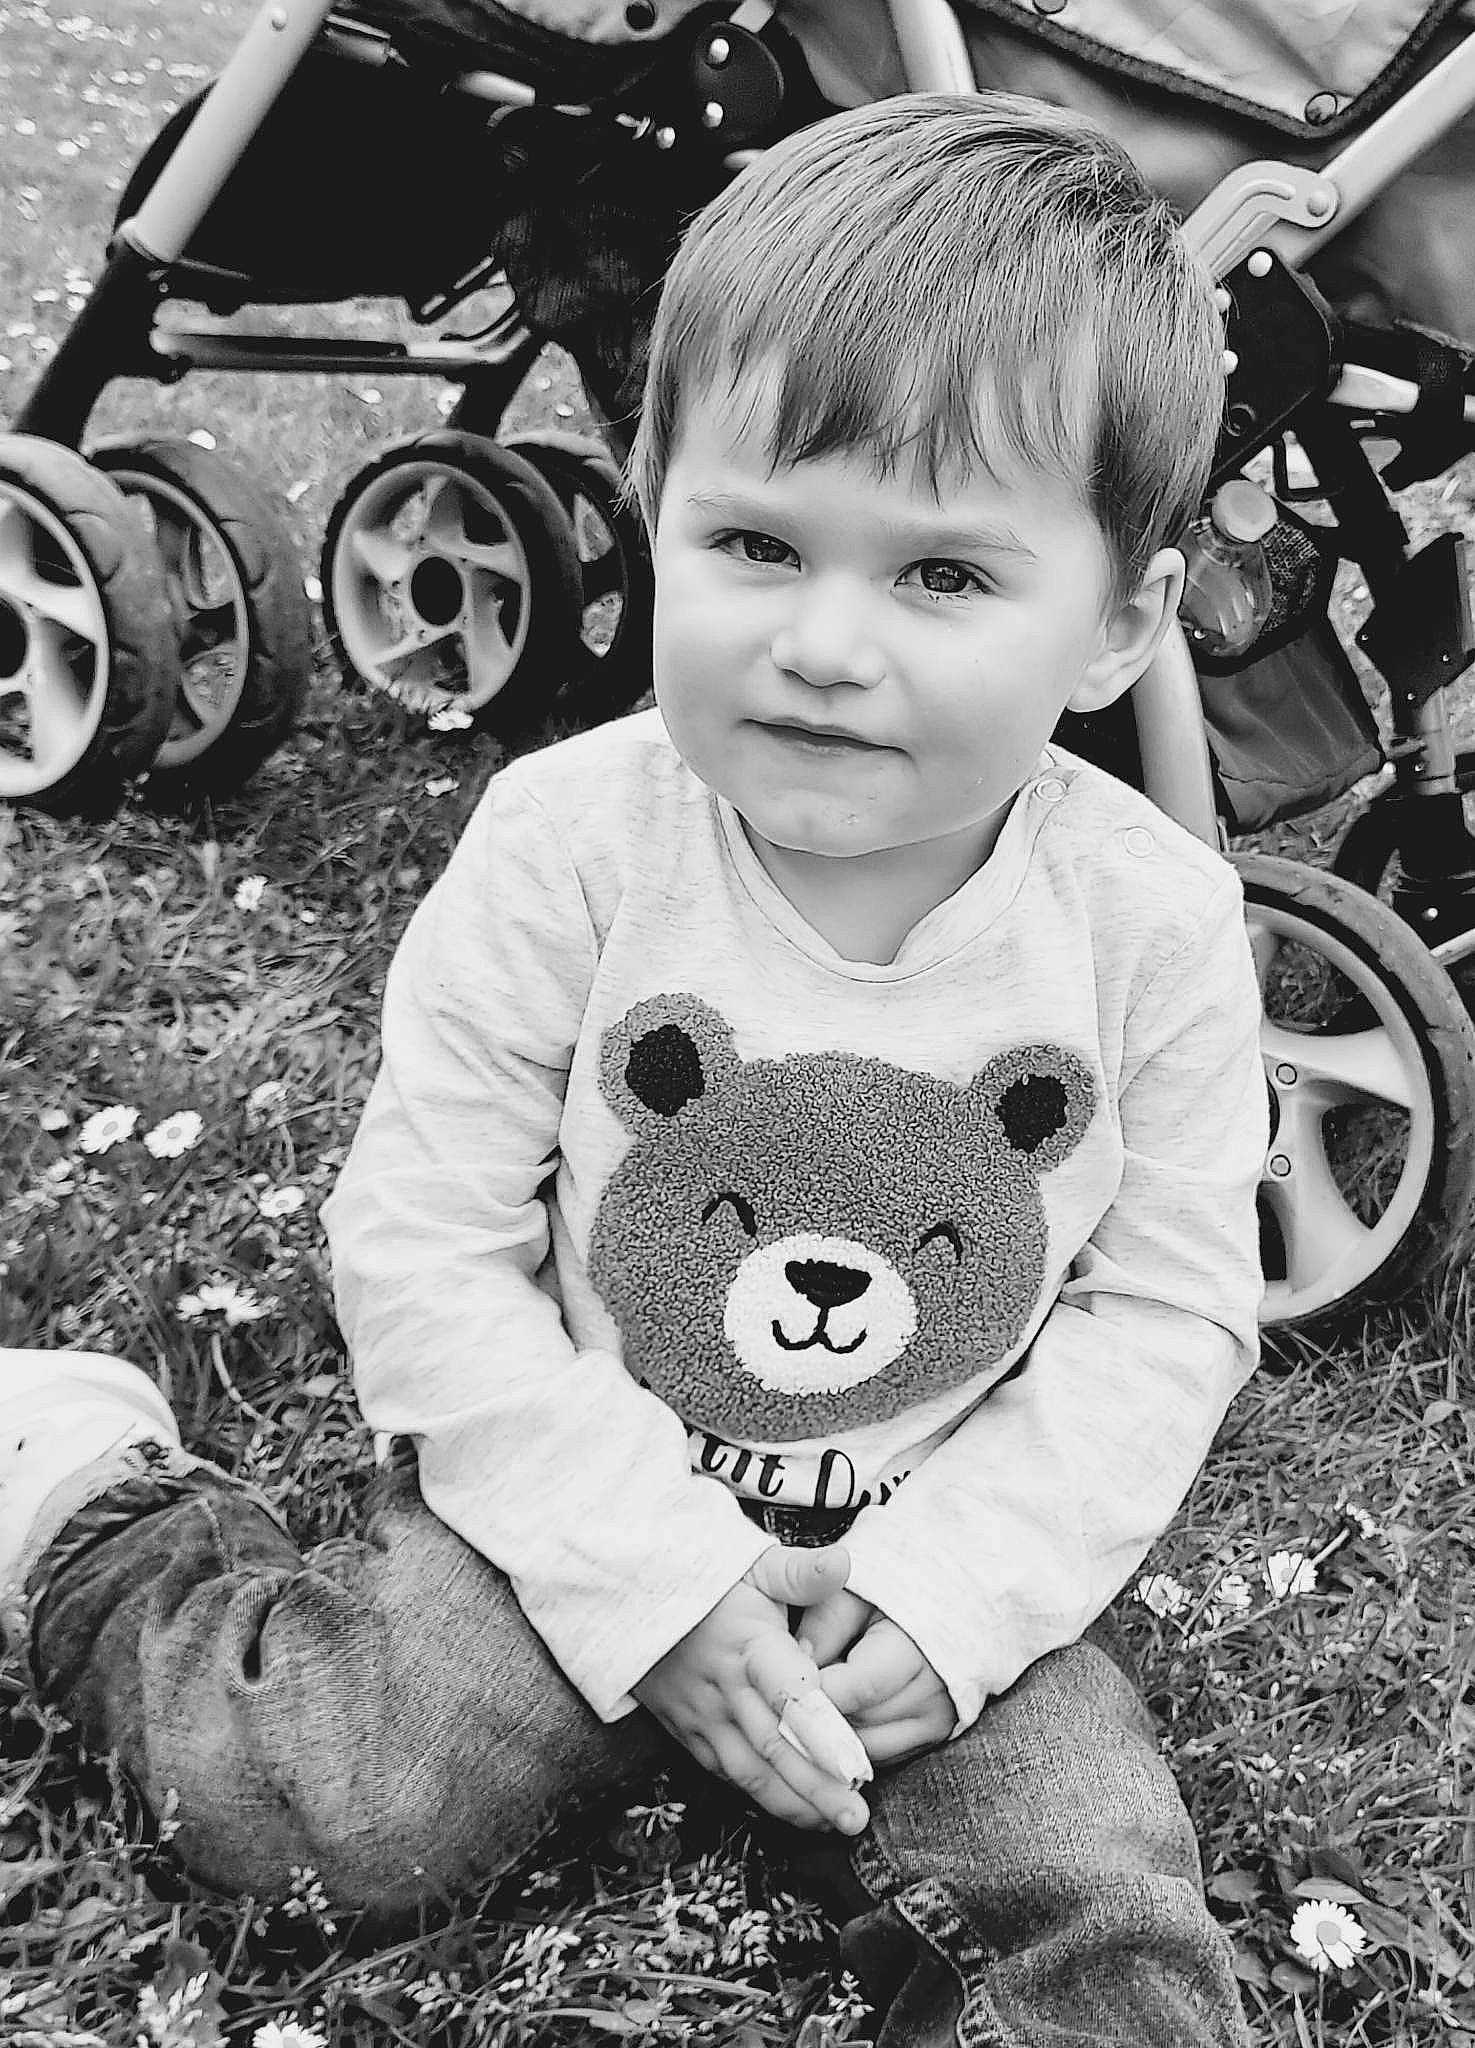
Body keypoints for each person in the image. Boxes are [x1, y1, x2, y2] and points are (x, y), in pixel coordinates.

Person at [0, 92, 1268, 2045]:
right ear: (650, 502)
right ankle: (89, 1498)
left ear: (1122, 622)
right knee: (322, 1802)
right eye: (757, 542)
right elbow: (421, 1244)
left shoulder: (1157, 929)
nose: (827, 643)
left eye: (943, 576)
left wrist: (958, 1596)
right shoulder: (570, 845)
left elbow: (1171, 1313)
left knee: (1102, 1922)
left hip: (933, 1568)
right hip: (571, 1507)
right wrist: (650, 1584)